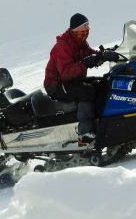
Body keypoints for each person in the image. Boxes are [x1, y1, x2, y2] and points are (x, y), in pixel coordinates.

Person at [43, 13, 105, 143]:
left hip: (73, 80)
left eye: (87, 28)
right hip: (56, 85)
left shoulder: (80, 41)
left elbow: (91, 54)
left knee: (101, 83)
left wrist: (104, 55)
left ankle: (101, 121)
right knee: (86, 92)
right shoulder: (63, 46)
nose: (86, 31)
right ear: (75, 30)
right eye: (83, 29)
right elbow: (66, 73)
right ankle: (85, 131)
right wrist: (86, 62)